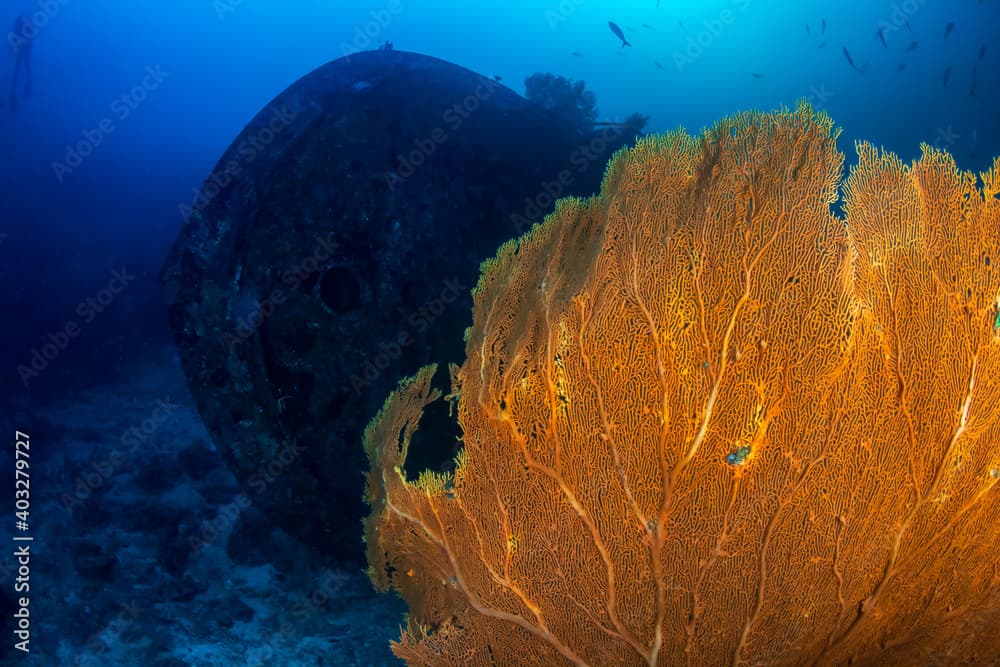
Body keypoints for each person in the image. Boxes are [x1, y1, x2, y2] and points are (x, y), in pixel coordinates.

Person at [8, 15, 32, 111]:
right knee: (25, 67)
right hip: (23, 48)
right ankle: (27, 88)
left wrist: (10, 49)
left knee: (18, 70)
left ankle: (15, 94)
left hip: (21, 48)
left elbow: (13, 36)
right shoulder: (25, 22)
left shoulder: (19, 23)